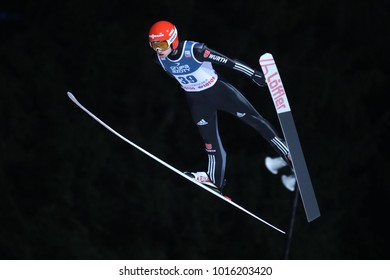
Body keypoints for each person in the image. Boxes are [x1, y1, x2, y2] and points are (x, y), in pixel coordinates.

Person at [148, 20, 291, 194]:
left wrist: (253, 74)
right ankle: (214, 180)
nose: (158, 49)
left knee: (255, 121)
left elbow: (228, 62)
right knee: (210, 142)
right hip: (197, 102)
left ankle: (286, 153)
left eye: (161, 44)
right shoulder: (159, 60)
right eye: (154, 45)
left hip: (220, 93)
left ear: (173, 40)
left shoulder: (195, 51)